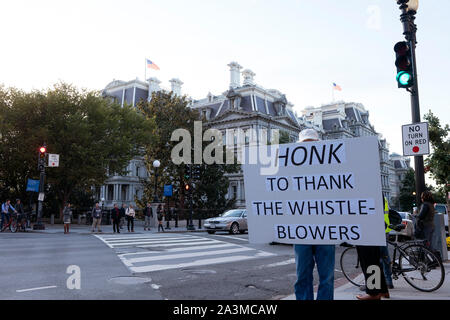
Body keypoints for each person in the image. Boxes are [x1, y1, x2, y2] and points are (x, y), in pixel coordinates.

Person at [293, 129, 335, 300]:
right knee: (302, 275)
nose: (309, 148)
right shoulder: (292, 169)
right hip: (300, 227)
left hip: (325, 227)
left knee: (327, 277)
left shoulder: (330, 167)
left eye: (312, 144)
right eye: (305, 145)